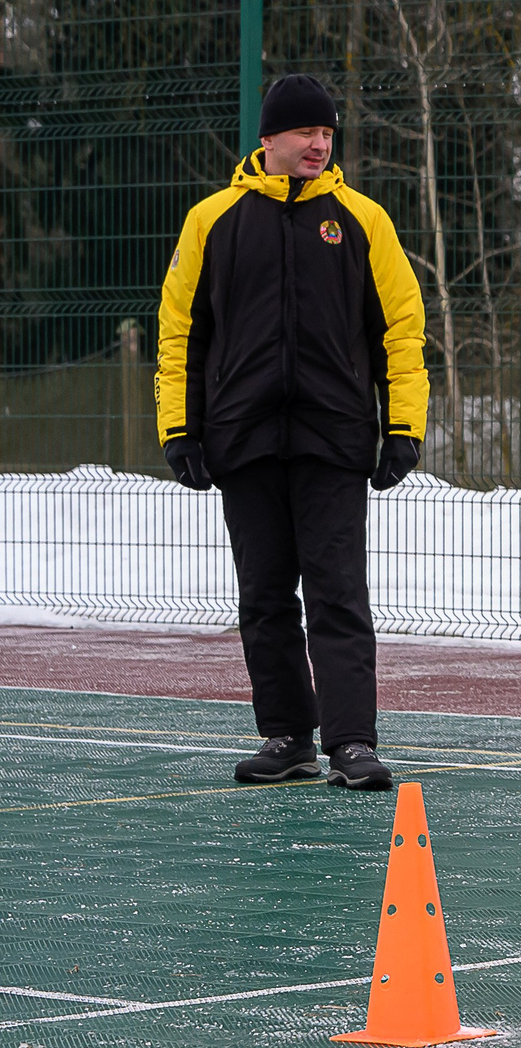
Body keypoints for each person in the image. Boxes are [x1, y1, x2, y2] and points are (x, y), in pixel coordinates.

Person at [155, 74, 427, 792]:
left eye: (328, 133)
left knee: (338, 594)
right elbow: (181, 332)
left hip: (333, 439)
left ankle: (352, 743)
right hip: (242, 441)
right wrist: (181, 428)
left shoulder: (363, 221)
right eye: (306, 132)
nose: (319, 144)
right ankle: (286, 736)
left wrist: (403, 425)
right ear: (268, 138)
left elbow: (400, 330)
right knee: (264, 598)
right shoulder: (212, 221)